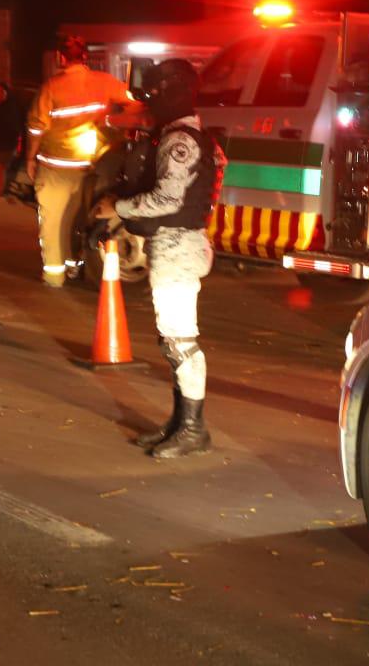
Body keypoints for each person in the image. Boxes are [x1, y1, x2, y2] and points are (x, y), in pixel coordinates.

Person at [93, 59, 224, 460]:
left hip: (178, 245)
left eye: (151, 96)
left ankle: (192, 429)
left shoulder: (179, 140)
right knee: (173, 340)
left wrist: (119, 207)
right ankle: (179, 422)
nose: (146, 104)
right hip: (177, 244)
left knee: (182, 341)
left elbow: (169, 198)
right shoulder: (183, 135)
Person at [26, 35, 135, 287]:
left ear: (60, 57)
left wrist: (30, 159)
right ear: (85, 57)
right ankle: (75, 267)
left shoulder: (51, 88)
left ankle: (54, 276)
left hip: (55, 167)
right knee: (79, 219)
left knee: (53, 222)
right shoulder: (107, 83)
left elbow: (35, 128)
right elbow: (133, 106)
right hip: (93, 167)